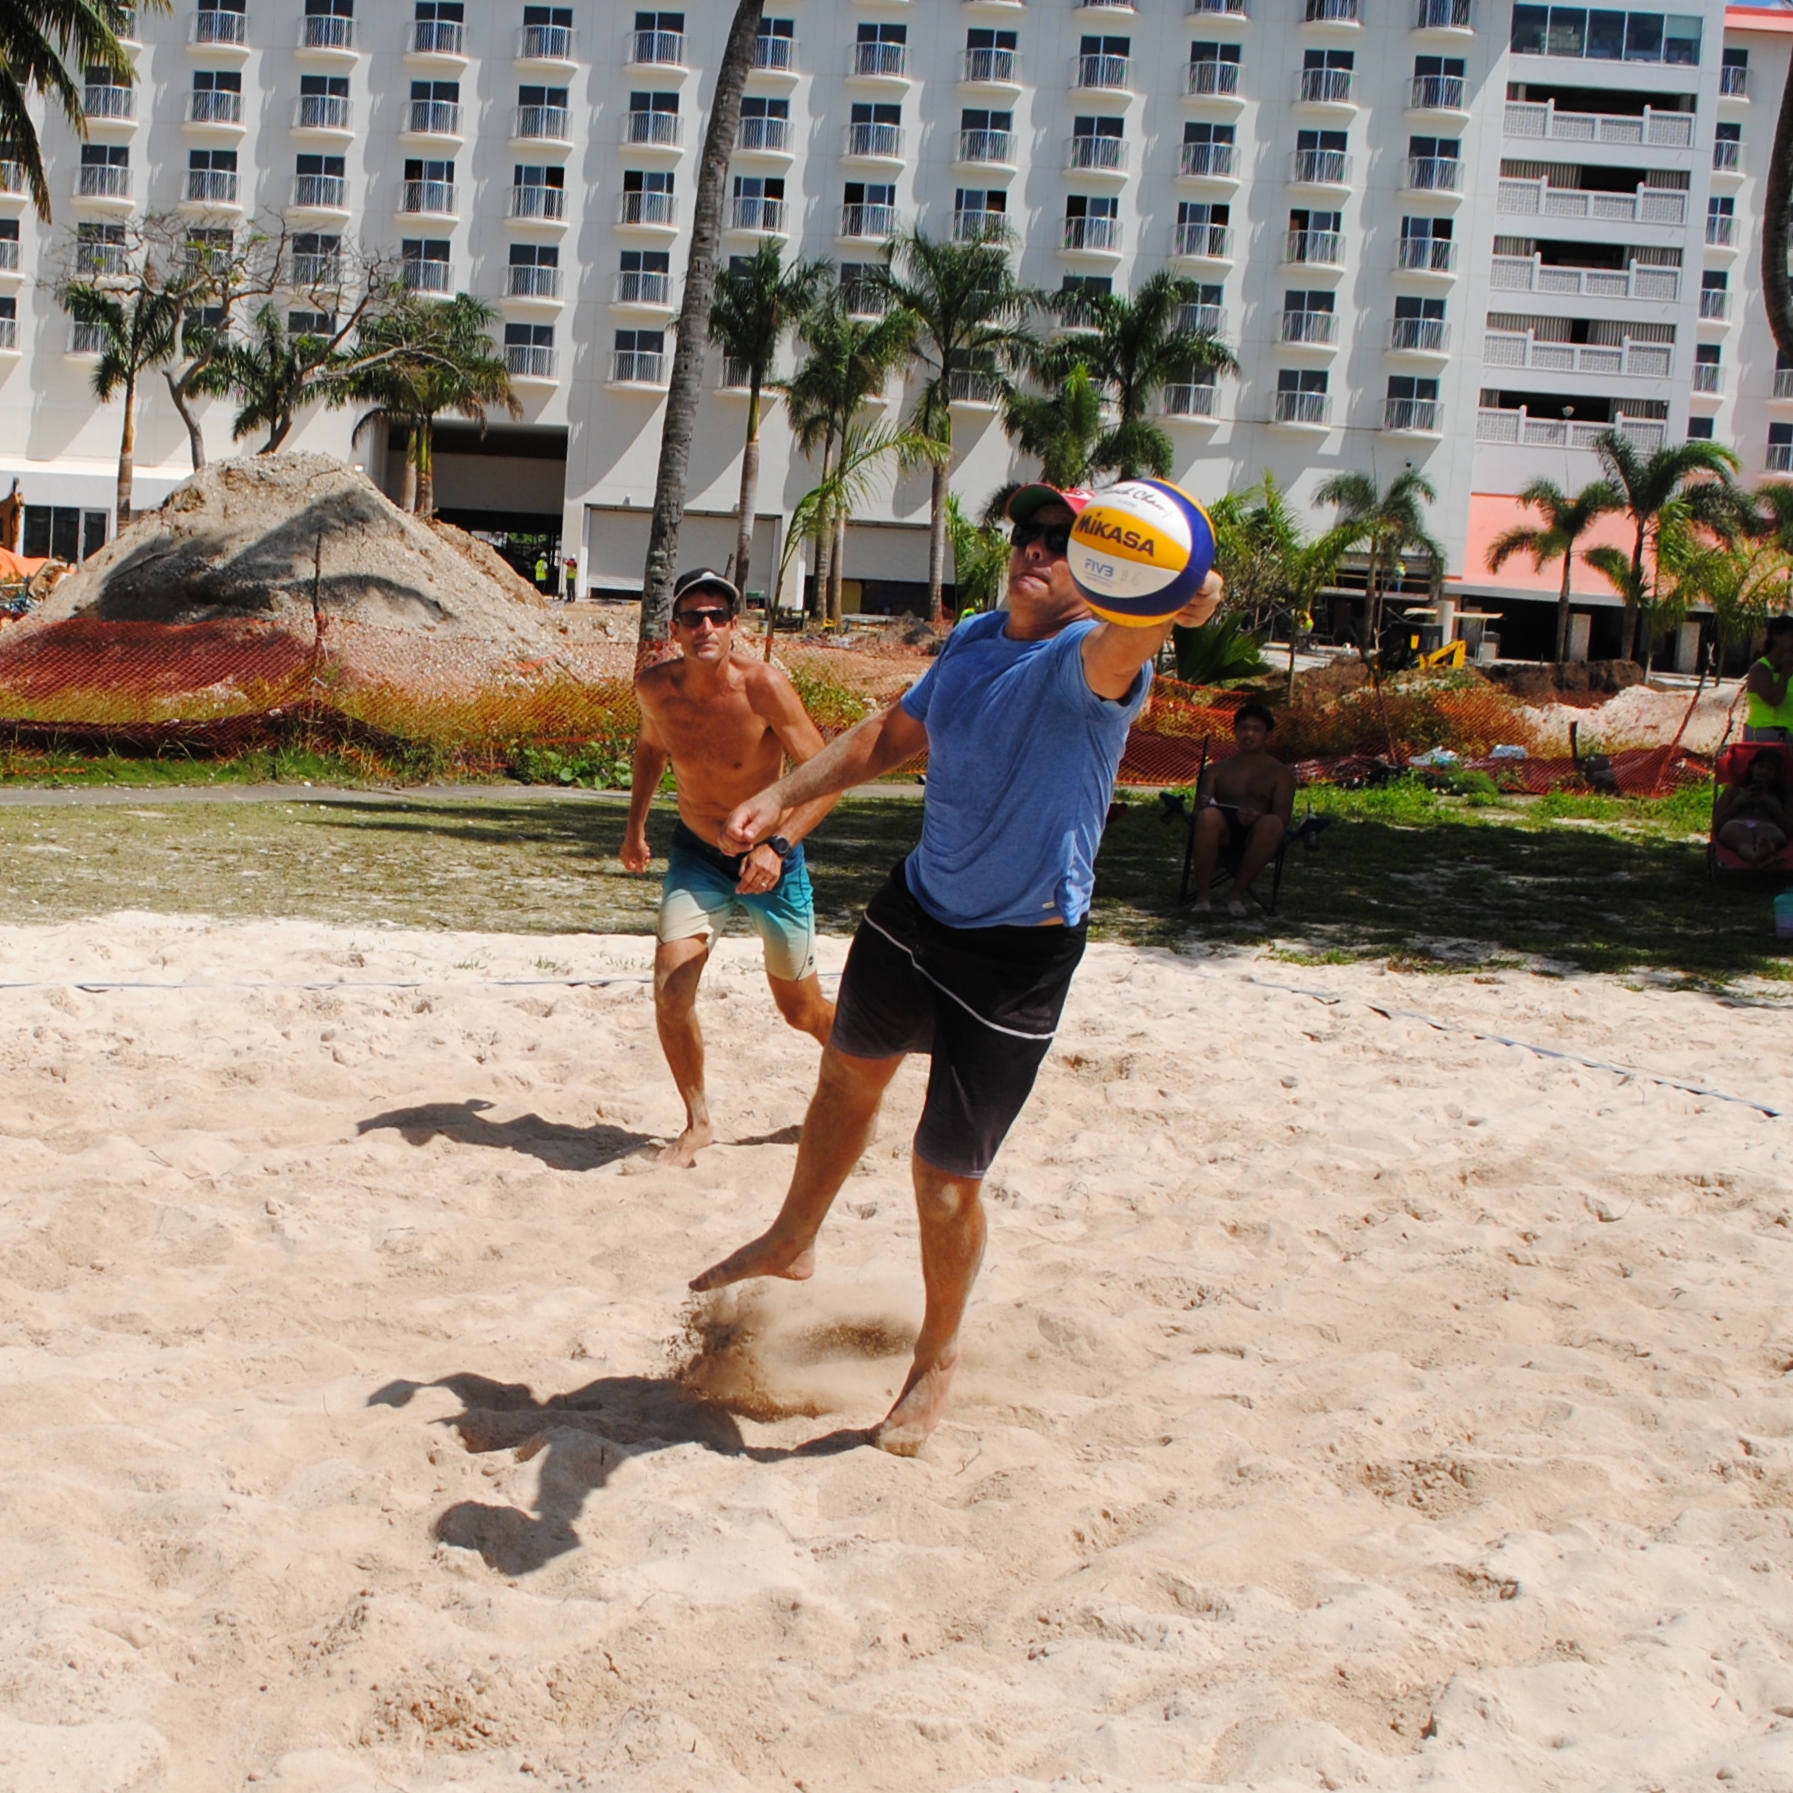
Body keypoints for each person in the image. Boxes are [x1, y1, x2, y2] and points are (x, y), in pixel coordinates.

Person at [689, 484, 1222, 1455]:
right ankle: (795, 1236)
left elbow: (1131, 638)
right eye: (1026, 532)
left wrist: (1169, 597)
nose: (1035, 549)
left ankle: (934, 1359)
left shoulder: (1090, 658)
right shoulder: (976, 637)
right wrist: (781, 791)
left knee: (941, 1177)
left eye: (1063, 542)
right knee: (846, 1071)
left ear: (1097, 567)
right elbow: (884, 739)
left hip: (1018, 951)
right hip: (917, 907)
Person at [621, 569, 838, 1166]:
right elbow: (650, 748)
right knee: (670, 986)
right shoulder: (654, 688)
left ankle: (865, 1074)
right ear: (675, 629)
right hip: (698, 853)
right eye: (693, 617)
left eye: (718, 616)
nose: (706, 627)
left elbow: (825, 775)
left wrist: (781, 845)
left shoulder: (764, 686)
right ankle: (697, 1122)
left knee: (802, 1012)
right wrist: (636, 826)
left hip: (774, 861)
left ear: (735, 626)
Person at [1188, 701, 1297, 916]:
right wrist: (1202, 805)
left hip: (1256, 834)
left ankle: (1235, 894)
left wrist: (1258, 817)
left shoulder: (1281, 774)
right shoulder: (1217, 771)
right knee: (1208, 816)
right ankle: (1203, 898)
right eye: (1244, 728)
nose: (1249, 734)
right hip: (1223, 833)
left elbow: (1282, 818)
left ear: (1268, 735)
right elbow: (1198, 810)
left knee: (1272, 823)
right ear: (1235, 732)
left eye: (1256, 729)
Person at [1714, 747, 1791, 866]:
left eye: (1769, 769)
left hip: (1768, 825)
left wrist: (1772, 805)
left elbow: (1790, 829)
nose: (1764, 772)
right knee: (1743, 840)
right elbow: (1717, 824)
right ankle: (1762, 856)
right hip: (1737, 823)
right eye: (1761, 766)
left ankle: (1759, 853)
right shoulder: (1734, 791)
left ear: (1775, 773)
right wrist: (1738, 802)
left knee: (1767, 838)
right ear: (1752, 767)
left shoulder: (1782, 795)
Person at [1744, 616, 1793, 742]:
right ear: (1776, 636)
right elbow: (1774, 699)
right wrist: (1786, 670)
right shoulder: (1760, 669)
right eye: (1791, 636)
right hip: (1764, 733)